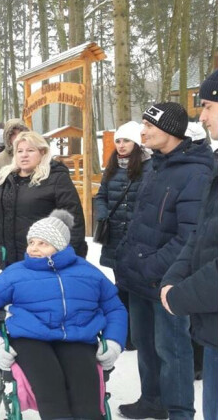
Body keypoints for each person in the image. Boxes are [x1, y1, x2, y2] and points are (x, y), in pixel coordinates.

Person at [0, 210, 128, 420]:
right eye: (32, 242)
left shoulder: (87, 273)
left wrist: (114, 342)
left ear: (60, 246)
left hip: (77, 337)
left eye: (42, 243)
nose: (34, 248)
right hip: (30, 339)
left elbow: (115, 308)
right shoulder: (16, 273)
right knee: (51, 388)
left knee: (87, 399)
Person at [115, 102, 214, 420]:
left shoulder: (196, 171)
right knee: (145, 344)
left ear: (170, 130)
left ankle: (180, 411)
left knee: (172, 350)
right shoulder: (155, 165)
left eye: (149, 125)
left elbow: (191, 235)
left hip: (165, 280)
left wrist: (155, 267)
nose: (142, 131)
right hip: (141, 277)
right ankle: (152, 400)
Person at [160, 69, 218, 420]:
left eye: (209, 105)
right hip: (212, 320)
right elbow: (202, 232)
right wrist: (174, 274)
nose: (203, 116)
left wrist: (179, 294)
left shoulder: (197, 168)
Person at [0, 131, 87, 272]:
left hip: (45, 259)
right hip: (9, 257)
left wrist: (70, 256)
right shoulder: (4, 179)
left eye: (30, 150)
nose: (24, 155)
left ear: (42, 152)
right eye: (19, 151)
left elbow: (73, 220)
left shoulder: (56, 179)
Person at [93, 121, 152, 350]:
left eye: (126, 140)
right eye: (118, 140)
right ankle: (125, 333)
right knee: (121, 283)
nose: (121, 145)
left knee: (138, 284)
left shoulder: (150, 166)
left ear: (137, 142)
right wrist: (103, 215)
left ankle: (139, 332)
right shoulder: (112, 166)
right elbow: (101, 196)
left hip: (139, 237)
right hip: (116, 235)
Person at [0, 118, 29, 215]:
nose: (17, 137)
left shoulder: (35, 158)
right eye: (13, 133)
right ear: (7, 137)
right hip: (7, 217)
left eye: (21, 133)